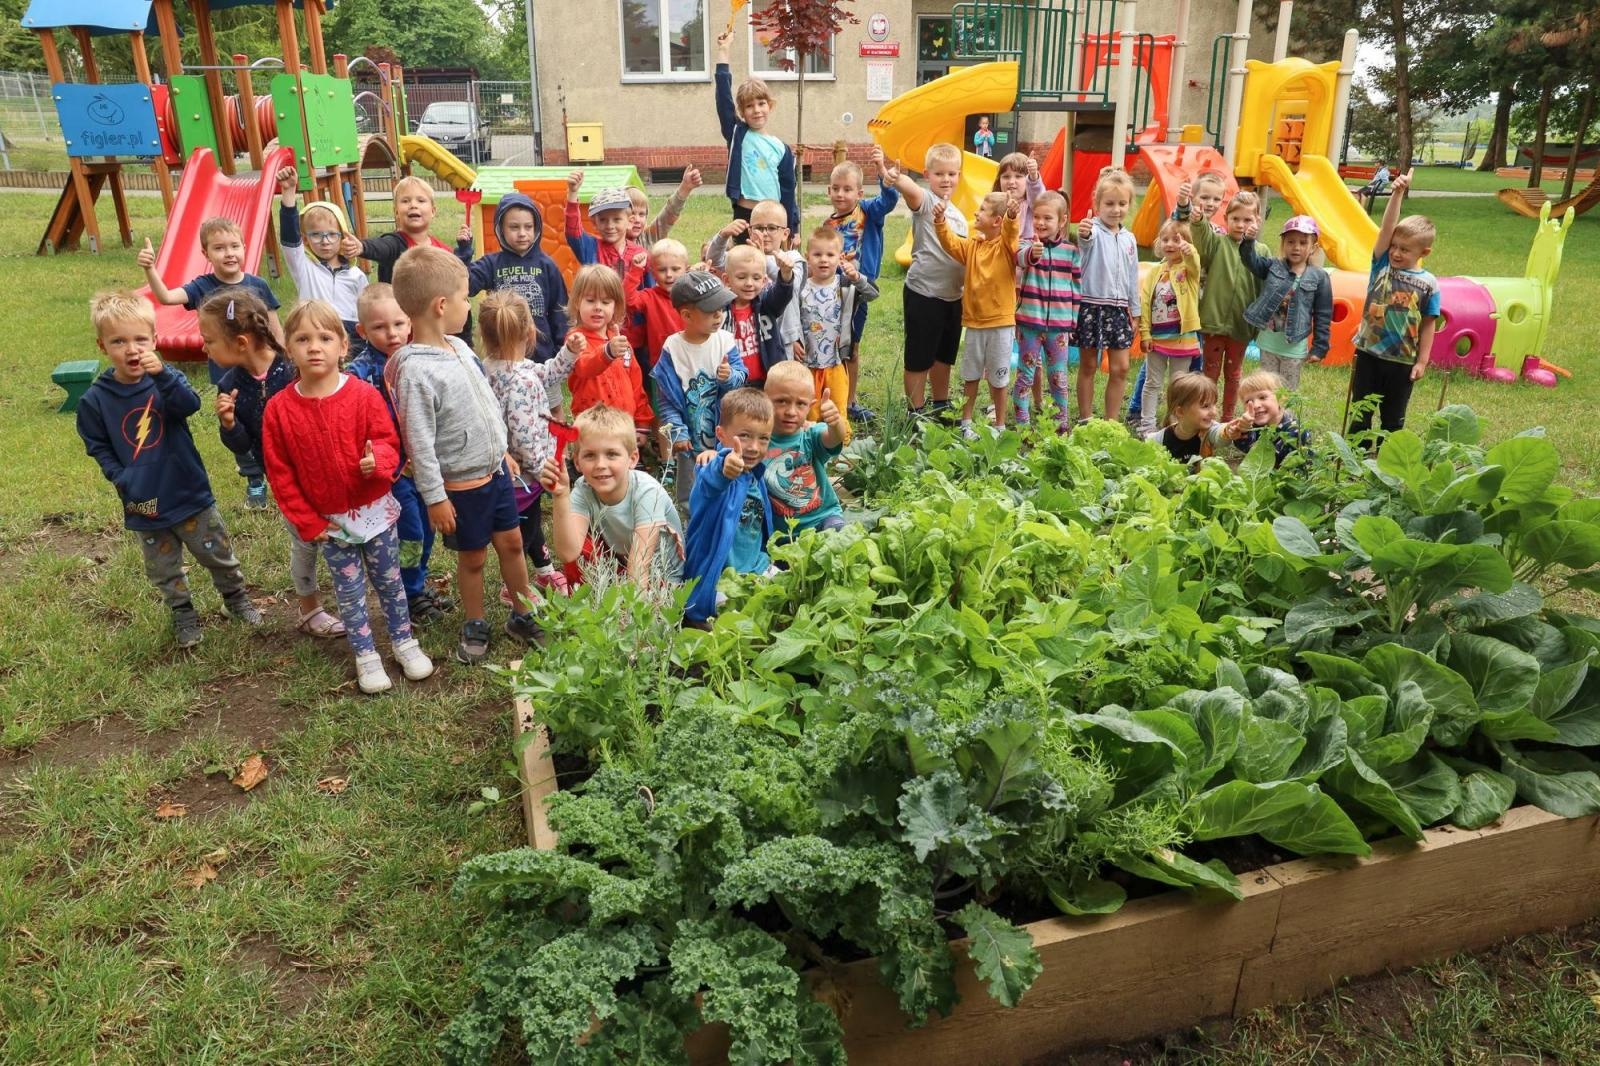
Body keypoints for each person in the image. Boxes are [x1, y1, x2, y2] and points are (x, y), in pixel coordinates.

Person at [261, 299, 435, 694]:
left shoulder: (361, 395)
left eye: (324, 337)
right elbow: (281, 473)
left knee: (390, 582)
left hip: (376, 513)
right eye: (303, 339)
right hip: (330, 524)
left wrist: (382, 459)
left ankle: (404, 642)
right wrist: (308, 521)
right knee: (350, 592)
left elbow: (388, 439)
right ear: (289, 348)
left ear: (343, 346)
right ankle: (366, 655)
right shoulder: (279, 410)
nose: (314, 347)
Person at [77, 291, 262, 649]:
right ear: (103, 346)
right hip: (142, 502)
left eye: (140, 340)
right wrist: (121, 477)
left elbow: (189, 405)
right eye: (119, 341)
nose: (132, 350)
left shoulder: (166, 379)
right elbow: (97, 444)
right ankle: (183, 614)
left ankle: (236, 599)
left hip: (187, 490)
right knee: (163, 567)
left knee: (216, 552)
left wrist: (164, 375)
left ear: (155, 340)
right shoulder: (95, 400)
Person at [389, 244, 540, 664]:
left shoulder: (460, 347)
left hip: (495, 474)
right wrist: (435, 497)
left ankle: (522, 614)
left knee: (511, 543)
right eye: (462, 298)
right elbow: (418, 441)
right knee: (473, 558)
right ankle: (475, 622)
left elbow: (485, 404)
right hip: (461, 489)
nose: (465, 305)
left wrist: (502, 452)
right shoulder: (416, 371)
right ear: (441, 305)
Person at [202, 288, 344, 639]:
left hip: (326, 474)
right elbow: (245, 445)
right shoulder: (229, 385)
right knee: (304, 542)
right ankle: (310, 609)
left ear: (240, 342)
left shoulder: (292, 366)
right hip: (285, 482)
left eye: (209, 340)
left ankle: (352, 598)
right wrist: (230, 425)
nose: (204, 348)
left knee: (341, 538)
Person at [348, 283, 454, 624]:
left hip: (427, 463)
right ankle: (408, 593)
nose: (391, 333)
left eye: (397, 323)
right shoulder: (361, 372)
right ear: (362, 330)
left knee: (429, 525)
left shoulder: (420, 357)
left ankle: (417, 582)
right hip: (395, 472)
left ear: (409, 322)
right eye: (379, 327)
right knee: (412, 531)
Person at [479, 289, 578, 601]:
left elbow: (549, 373)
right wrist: (543, 469)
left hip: (510, 468)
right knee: (522, 530)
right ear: (529, 330)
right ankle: (513, 588)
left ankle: (544, 568)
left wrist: (569, 353)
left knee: (531, 522)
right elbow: (523, 435)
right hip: (525, 474)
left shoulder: (490, 367)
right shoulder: (520, 381)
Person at [539, 404, 683, 588]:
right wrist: (561, 496)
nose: (600, 464)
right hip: (622, 561)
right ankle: (586, 601)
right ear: (577, 462)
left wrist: (629, 614)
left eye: (612, 454)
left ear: (632, 458)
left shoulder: (647, 491)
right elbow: (568, 553)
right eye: (590, 455)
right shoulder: (583, 489)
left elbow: (639, 566)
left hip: (661, 574)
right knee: (581, 549)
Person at [1127, 170, 1226, 426]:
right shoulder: (1185, 222)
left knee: (1182, 376)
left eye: (1217, 199)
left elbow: (1202, 261)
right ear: (1194, 198)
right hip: (1166, 309)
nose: (1211, 203)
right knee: (1151, 374)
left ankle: (1177, 421)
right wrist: (1184, 204)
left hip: (1193, 311)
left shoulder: (1218, 233)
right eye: (1205, 197)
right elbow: (1178, 220)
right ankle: (1139, 412)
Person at [137, 216, 283, 388]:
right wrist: (150, 269)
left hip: (260, 365)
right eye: (219, 248)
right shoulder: (202, 286)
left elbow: (275, 329)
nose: (229, 253)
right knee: (230, 410)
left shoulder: (259, 285)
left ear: (244, 248)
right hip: (225, 371)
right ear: (206, 254)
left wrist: (284, 359)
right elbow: (166, 297)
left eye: (234, 246)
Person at [1348, 170, 1438, 439]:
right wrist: (1397, 193)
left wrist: (1422, 361)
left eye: (1405, 249)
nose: (1396, 252)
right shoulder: (1382, 268)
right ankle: (1354, 463)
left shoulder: (1429, 284)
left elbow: (1428, 325)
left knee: (1393, 420)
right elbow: (1387, 228)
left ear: (1424, 253)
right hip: (1369, 355)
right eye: (1394, 247)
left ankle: (1387, 466)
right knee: (1360, 414)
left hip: (1402, 363)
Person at [683, 387, 776, 626]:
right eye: (744, 436)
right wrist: (724, 465)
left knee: (792, 587)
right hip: (719, 581)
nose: (754, 447)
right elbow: (714, 478)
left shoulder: (756, 475)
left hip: (755, 568)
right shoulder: (711, 470)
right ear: (721, 434)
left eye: (763, 438)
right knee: (738, 618)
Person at [341, 175, 473, 342]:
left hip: (441, 334)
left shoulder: (443, 251)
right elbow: (382, 247)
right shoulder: (396, 244)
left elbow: (460, 288)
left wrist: (464, 250)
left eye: (421, 200)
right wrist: (362, 247)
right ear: (396, 212)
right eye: (405, 201)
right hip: (402, 336)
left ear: (433, 211)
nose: (413, 205)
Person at [652, 270, 743, 505]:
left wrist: (729, 377)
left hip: (724, 432)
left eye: (721, 309)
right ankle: (690, 516)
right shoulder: (673, 348)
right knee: (690, 485)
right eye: (710, 310)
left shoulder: (724, 340)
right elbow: (667, 399)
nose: (718, 315)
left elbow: (741, 378)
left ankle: (725, 508)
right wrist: (678, 431)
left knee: (726, 475)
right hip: (690, 435)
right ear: (686, 315)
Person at [821, 150, 899, 423]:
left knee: (851, 346)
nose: (841, 194)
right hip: (831, 293)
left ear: (859, 192)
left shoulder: (867, 211)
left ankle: (850, 401)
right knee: (830, 344)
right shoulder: (828, 224)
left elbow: (889, 201)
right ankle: (831, 397)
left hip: (858, 290)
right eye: (836, 189)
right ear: (828, 190)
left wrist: (882, 170)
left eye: (848, 189)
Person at [935, 190, 1022, 436]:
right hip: (974, 324)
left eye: (982, 209)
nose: (976, 212)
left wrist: (1012, 217)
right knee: (971, 375)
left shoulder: (1006, 246)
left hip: (1001, 324)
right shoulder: (973, 245)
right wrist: (940, 222)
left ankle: (1000, 426)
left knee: (999, 377)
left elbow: (1011, 232)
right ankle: (966, 423)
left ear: (997, 220)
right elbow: (951, 244)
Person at [890, 142, 967, 417]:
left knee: (944, 355)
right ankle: (916, 410)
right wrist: (897, 178)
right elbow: (911, 192)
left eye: (952, 173)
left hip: (952, 296)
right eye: (939, 174)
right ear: (927, 174)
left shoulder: (958, 213)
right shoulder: (926, 202)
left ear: (959, 175)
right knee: (919, 357)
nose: (946, 179)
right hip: (925, 294)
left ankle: (941, 404)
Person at [1176, 185, 1262, 419]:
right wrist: (1198, 220)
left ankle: (1228, 417)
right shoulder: (1218, 244)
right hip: (1214, 324)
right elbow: (1202, 239)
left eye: (1247, 219)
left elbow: (1266, 288)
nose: (1241, 225)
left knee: (1234, 374)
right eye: (1235, 219)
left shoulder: (1261, 251)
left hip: (1240, 326)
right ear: (1226, 219)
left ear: (1258, 221)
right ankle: (1208, 415)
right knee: (1210, 373)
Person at [795, 226, 877, 441]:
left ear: (839, 257)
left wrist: (857, 276)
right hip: (807, 364)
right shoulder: (801, 287)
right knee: (811, 412)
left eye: (830, 255)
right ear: (807, 257)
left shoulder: (845, 286)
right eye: (817, 254)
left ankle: (841, 447)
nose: (824, 260)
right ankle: (811, 447)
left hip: (835, 362)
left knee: (838, 407)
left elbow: (873, 293)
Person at [714, 30, 799, 235]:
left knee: (771, 267)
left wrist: (793, 229)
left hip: (774, 220)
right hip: (745, 215)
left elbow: (788, 191)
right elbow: (724, 99)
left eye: (761, 103)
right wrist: (724, 52)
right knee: (744, 265)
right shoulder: (737, 134)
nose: (757, 110)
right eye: (750, 106)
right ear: (742, 112)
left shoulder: (782, 149)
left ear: (770, 105)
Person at [468, 191, 568, 364]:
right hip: (503, 355)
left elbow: (559, 310)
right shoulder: (492, 264)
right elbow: (466, 285)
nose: (522, 233)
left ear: (536, 228)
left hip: (542, 358)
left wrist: (561, 350)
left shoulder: (547, 265)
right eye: (514, 227)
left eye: (528, 227)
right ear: (501, 229)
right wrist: (463, 252)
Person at [1075, 168, 1141, 422]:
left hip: (1119, 310)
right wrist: (1085, 232)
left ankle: (1111, 422)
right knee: (1089, 365)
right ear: (1097, 203)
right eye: (1109, 203)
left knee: (1121, 368)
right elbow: (1086, 240)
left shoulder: (1129, 239)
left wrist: (1135, 311)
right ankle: (1085, 419)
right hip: (1091, 307)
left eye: (1122, 203)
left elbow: (1132, 275)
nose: (1116, 209)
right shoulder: (1092, 230)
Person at [1239, 214, 1334, 390]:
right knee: (1266, 390)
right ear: (1283, 244)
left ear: (1313, 247)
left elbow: (1323, 314)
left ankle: (1287, 419)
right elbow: (1250, 261)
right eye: (1290, 242)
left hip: (1294, 348)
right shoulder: (1273, 266)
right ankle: (1267, 419)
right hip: (1268, 344)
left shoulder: (1320, 277)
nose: (1296, 247)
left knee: (1288, 393)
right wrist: (1248, 241)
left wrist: (1319, 347)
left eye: (1302, 243)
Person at [564, 263, 653, 450]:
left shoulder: (621, 343)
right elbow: (584, 367)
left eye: (605, 302)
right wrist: (607, 352)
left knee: (625, 471)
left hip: (624, 426)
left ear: (616, 306)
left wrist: (642, 424)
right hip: (592, 427)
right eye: (590, 301)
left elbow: (636, 384)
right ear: (576, 303)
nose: (598, 308)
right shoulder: (575, 339)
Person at [1013, 190, 1080, 433]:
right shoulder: (1027, 246)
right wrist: (1033, 254)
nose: (1040, 223)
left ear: (1062, 221)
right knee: (1025, 376)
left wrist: (1072, 323)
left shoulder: (1071, 252)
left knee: (1058, 379)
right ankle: (1023, 427)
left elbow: (1076, 289)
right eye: (1037, 218)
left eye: (1048, 218)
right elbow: (1019, 258)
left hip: (1059, 329)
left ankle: (1060, 427)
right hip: (1030, 324)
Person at [275, 165, 366, 340]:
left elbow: (366, 311)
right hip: (314, 330)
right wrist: (288, 192)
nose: (325, 241)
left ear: (342, 237)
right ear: (306, 239)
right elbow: (290, 238)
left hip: (351, 336)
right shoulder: (303, 267)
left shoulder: (356, 275)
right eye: (316, 235)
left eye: (332, 234)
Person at [762, 361, 846, 542]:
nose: (791, 411)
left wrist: (835, 422)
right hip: (784, 535)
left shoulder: (810, 435)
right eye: (782, 401)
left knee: (840, 539)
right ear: (765, 399)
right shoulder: (757, 441)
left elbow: (835, 437)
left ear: (810, 406)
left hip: (823, 519)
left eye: (800, 404)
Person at [709, 200, 802, 358]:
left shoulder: (792, 257)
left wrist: (763, 260)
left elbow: (793, 285)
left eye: (772, 228)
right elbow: (715, 260)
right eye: (759, 228)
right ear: (750, 231)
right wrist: (722, 236)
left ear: (785, 233)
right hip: (750, 335)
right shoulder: (745, 257)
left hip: (785, 338)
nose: (765, 233)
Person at [1138, 219, 1203, 435]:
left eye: (1176, 240)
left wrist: (1189, 250)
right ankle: (1147, 426)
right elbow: (1145, 303)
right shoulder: (1154, 273)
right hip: (1157, 339)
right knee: (1152, 382)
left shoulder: (1189, 271)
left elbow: (1194, 262)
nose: (1170, 244)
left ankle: (1175, 426)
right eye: (1165, 239)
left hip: (1182, 339)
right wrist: (1145, 333)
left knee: (1178, 386)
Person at [724, 243, 795, 388]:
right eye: (741, 277)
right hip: (733, 385)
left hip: (768, 383)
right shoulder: (719, 311)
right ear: (726, 280)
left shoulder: (766, 304)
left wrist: (786, 274)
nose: (749, 283)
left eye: (756, 278)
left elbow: (782, 295)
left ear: (764, 281)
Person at [564, 179, 647, 281]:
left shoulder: (641, 254)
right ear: (595, 223)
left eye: (617, 219)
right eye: (603, 220)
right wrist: (573, 193)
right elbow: (573, 232)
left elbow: (650, 291)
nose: (610, 225)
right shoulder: (591, 248)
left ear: (630, 221)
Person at [1146, 371, 1228, 464]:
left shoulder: (1209, 431)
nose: (1214, 412)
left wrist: (1230, 430)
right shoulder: (1159, 440)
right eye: (1205, 406)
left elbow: (1221, 436)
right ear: (1180, 412)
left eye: (1214, 404)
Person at [1234, 370, 1312, 467]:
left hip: (1292, 478)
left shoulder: (1296, 430)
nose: (1256, 405)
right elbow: (1245, 447)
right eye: (1248, 401)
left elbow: (1277, 460)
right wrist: (1242, 431)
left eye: (1262, 397)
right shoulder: (1255, 426)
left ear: (1281, 399)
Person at [625, 169, 700, 249]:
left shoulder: (648, 238)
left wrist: (684, 188)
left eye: (642, 214)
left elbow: (667, 216)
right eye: (631, 214)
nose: (637, 220)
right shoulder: (613, 242)